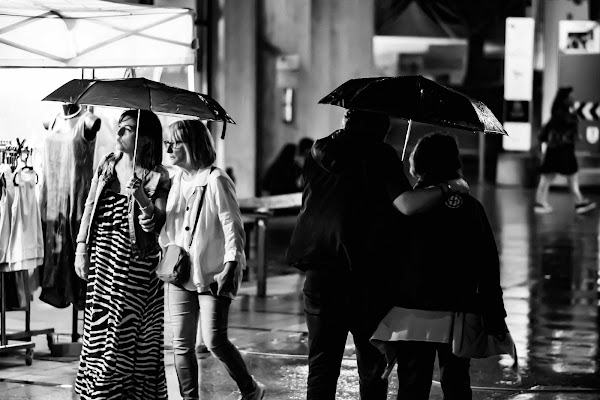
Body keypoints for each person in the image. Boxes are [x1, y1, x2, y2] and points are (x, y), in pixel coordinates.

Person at [285, 109, 470, 400]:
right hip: (365, 279)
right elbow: (407, 204)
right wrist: (449, 187)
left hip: (320, 275)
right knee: (372, 369)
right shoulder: (379, 153)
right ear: (378, 127)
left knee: (321, 367)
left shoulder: (316, 151)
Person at [370, 133, 507, 400]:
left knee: (412, 385)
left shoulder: (406, 206)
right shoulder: (470, 207)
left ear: (417, 163)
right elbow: (487, 263)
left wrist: (379, 314)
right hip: (459, 311)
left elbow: (385, 261)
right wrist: (494, 313)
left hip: (410, 314)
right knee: (456, 382)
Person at [159, 119, 265, 400]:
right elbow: (170, 228)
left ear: (192, 145)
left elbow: (233, 225)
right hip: (180, 273)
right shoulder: (175, 180)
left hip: (213, 272)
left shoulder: (216, 179)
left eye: (176, 142)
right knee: (181, 345)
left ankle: (250, 389)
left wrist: (231, 265)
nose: (168, 147)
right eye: (167, 142)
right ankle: (189, 398)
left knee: (215, 341)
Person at [73, 109, 170, 400]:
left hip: (136, 262)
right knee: (98, 327)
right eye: (120, 127)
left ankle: (110, 394)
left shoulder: (158, 176)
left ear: (144, 137)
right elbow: (89, 206)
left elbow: (155, 224)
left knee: (123, 332)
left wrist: (140, 195)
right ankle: (100, 392)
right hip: (103, 256)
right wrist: (81, 247)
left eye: (126, 130)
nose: (117, 134)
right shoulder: (107, 163)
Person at [39, 102, 101, 309]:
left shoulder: (88, 121)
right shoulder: (51, 120)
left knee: (76, 254)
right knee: (53, 254)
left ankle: (79, 299)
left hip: (77, 201)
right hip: (51, 201)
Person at [534, 87, 596, 214]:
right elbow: (566, 133)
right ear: (564, 100)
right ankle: (578, 202)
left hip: (556, 152)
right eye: (569, 97)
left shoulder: (558, 115)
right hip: (563, 152)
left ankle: (541, 202)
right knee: (567, 179)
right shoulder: (565, 116)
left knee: (549, 179)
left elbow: (547, 134)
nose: (572, 99)